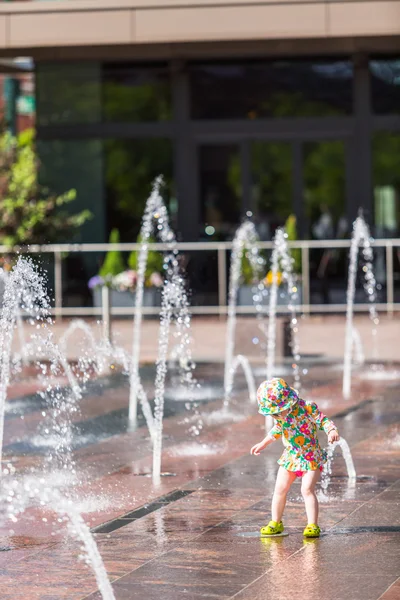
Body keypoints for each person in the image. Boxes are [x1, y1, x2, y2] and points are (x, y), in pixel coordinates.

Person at [250, 378, 340, 538]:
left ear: (288, 403)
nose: (275, 416)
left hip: (311, 456)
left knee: (306, 489)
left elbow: (322, 420)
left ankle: (312, 525)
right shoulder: (280, 416)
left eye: (276, 412)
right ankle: (275, 522)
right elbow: (277, 429)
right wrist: (263, 443)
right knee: (279, 489)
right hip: (291, 456)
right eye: (272, 413)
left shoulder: (307, 408)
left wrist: (331, 430)